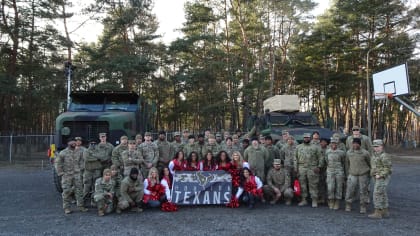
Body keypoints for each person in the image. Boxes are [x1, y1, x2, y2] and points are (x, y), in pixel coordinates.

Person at [55, 139, 88, 214]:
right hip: (67, 175)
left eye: (74, 142)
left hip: (77, 174)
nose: (73, 143)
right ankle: (67, 208)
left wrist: (80, 169)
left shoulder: (79, 152)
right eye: (72, 142)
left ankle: (81, 206)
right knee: (66, 191)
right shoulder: (63, 153)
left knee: (79, 190)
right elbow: (57, 163)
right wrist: (60, 173)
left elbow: (82, 161)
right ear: (68, 143)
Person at [294, 133, 323, 207]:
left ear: (310, 138)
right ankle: (304, 200)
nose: (306, 139)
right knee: (302, 184)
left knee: (313, 184)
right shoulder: (298, 147)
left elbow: (320, 157)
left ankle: (314, 200)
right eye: (305, 138)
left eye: (307, 137)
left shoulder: (316, 147)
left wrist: (319, 167)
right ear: (303, 138)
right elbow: (295, 159)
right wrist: (295, 168)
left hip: (312, 168)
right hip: (301, 167)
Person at [345, 138, 371, 214]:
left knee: (363, 191)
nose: (355, 145)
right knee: (350, 190)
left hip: (363, 174)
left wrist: (370, 173)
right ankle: (348, 204)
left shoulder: (365, 153)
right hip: (352, 174)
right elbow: (346, 164)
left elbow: (369, 163)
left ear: (360, 144)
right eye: (354, 143)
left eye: (357, 143)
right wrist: (347, 173)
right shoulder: (349, 152)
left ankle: (363, 206)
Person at [368, 139, 392, 219]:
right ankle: (384, 211)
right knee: (382, 193)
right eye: (374, 147)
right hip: (376, 177)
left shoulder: (384, 156)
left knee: (377, 193)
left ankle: (377, 212)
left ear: (382, 146)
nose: (376, 148)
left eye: (377, 146)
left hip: (382, 177)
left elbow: (388, 168)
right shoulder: (374, 155)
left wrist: (380, 175)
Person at [325, 137, 346, 210]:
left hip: (339, 170)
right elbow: (326, 160)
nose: (334, 145)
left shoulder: (341, 152)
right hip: (330, 170)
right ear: (330, 144)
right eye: (332, 143)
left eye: (335, 143)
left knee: (339, 186)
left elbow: (343, 162)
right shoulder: (327, 152)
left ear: (337, 144)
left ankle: (337, 202)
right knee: (330, 187)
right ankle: (331, 200)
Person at [83, 139, 103, 206]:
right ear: (89, 144)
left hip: (97, 170)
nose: (93, 145)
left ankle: (93, 201)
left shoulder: (99, 150)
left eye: (94, 143)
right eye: (91, 143)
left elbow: (102, 157)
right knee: (86, 187)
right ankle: (83, 202)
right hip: (88, 171)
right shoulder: (86, 151)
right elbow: (87, 158)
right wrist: (96, 158)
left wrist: (94, 156)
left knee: (96, 187)